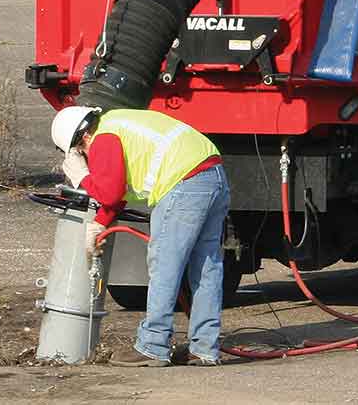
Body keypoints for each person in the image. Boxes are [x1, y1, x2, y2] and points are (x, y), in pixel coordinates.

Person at [51, 105, 230, 367]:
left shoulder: (102, 138)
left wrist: (83, 178)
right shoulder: (116, 123)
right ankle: (204, 348)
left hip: (183, 184)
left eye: (80, 153)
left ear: (82, 140)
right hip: (213, 176)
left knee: (164, 265)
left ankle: (153, 346)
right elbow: (118, 190)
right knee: (206, 267)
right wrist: (100, 223)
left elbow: (109, 192)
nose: (85, 157)